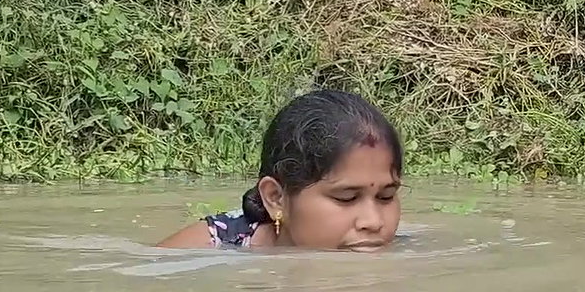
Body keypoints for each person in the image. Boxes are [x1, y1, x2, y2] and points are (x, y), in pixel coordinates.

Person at [158, 89, 403, 252]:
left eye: (386, 197)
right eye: (346, 198)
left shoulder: (399, 248)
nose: (373, 222)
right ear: (276, 198)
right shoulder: (209, 248)